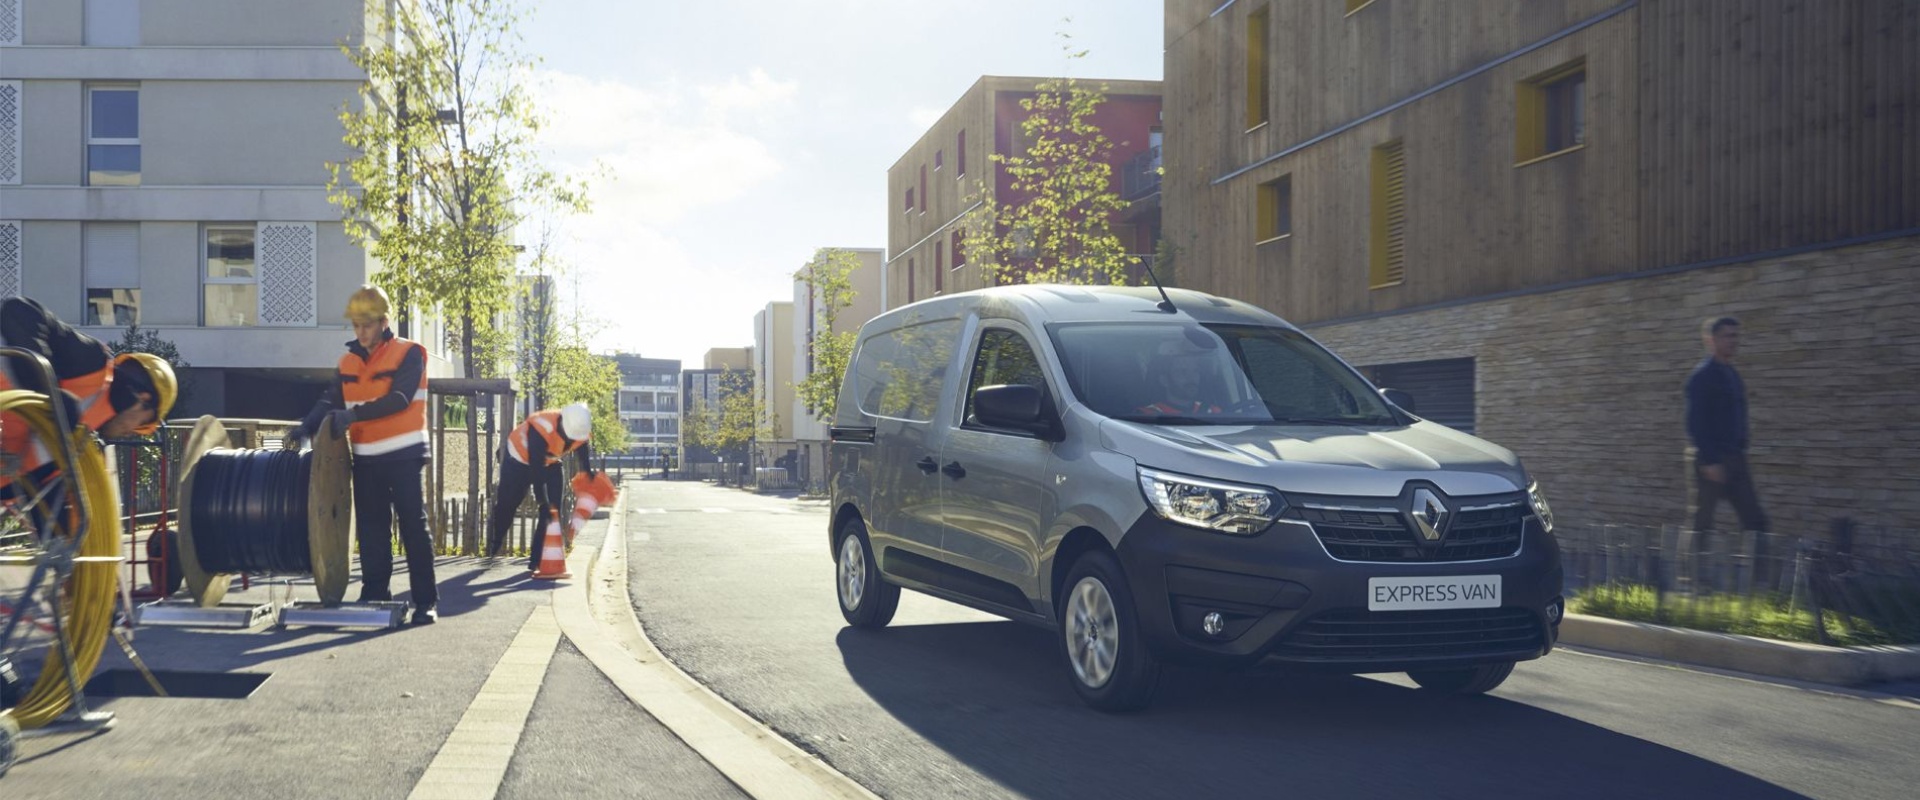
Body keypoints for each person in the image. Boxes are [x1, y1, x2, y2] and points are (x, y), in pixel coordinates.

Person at [290, 285, 438, 624]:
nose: (361, 331)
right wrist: (306, 426)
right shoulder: (347, 362)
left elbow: (400, 398)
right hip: (367, 459)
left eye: (367, 324)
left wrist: (352, 417)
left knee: (414, 528)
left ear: (384, 322)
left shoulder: (410, 353)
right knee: (372, 530)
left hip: (404, 455)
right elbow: (332, 400)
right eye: (356, 325)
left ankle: (425, 602)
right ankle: (375, 593)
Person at [0, 297, 177, 525]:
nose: (132, 432)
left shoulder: (77, 440)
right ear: (144, 400)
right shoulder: (91, 364)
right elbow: (18, 309)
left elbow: (42, 491)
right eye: (142, 425)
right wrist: (47, 392)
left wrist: (62, 539)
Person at [486, 402, 599, 572]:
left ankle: (536, 561)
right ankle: (493, 546)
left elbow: (583, 455)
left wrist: (590, 478)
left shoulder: (579, 429)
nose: (571, 440)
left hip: (551, 463)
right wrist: (541, 500)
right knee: (508, 506)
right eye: (569, 436)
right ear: (562, 423)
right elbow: (536, 470)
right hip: (518, 461)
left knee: (552, 512)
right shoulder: (541, 427)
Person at [1685, 316, 1769, 539]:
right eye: (1727, 336)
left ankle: (1757, 574)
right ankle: (1690, 573)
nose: (1733, 341)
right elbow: (1696, 423)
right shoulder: (1702, 376)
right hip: (1711, 460)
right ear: (1711, 340)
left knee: (1756, 521)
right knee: (1702, 524)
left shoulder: (1732, 374)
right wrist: (1711, 461)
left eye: (1735, 335)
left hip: (1735, 459)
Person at [1136, 354, 1222, 416]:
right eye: (1182, 372)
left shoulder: (1213, 412)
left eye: (1195, 371)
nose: (1191, 378)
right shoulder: (1146, 415)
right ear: (1164, 380)